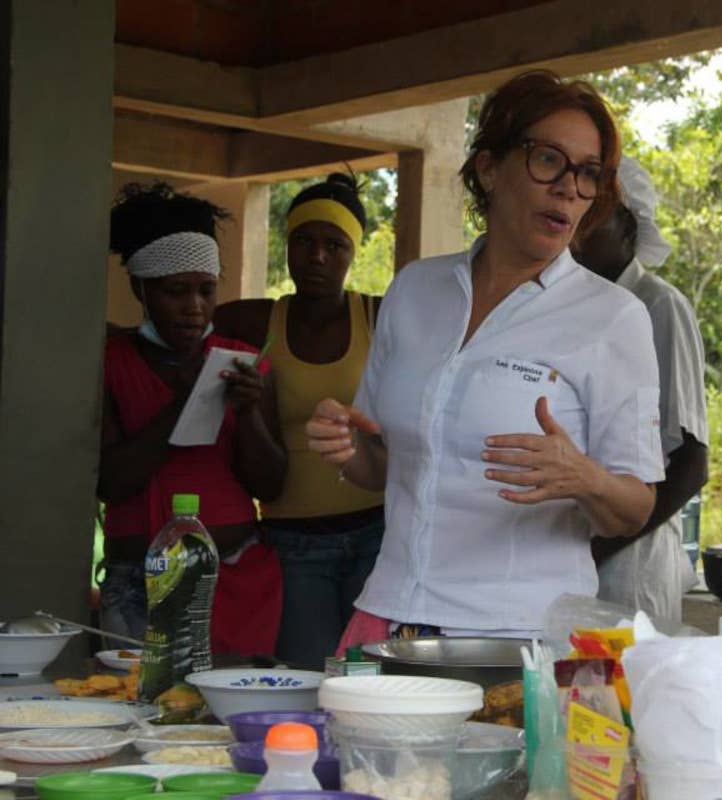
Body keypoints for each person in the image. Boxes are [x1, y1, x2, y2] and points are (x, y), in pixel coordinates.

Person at [305, 70, 664, 641]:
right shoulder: (415, 291)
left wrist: (585, 477)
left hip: (516, 636)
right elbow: (381, 465)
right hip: (391, 616)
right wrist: (345, 446)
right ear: (489, 168)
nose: (569, 188)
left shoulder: (612, 317)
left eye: (589, 173)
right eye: (548, 160)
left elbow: (634, 507)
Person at [98, 182, 286, 656]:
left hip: (235, 582)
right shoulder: (110, 361)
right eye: (175, 292)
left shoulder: (244, 363)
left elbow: (271, 484)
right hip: (139, 585)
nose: (194, 307)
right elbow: (110, 482)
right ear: (139, 288)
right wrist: (185, 402)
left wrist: (246, 415)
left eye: (206, 290)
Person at [213, 174, 385, 670]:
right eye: (304, 242)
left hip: (375, 531)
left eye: (335, 245)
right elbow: (180, 321)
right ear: (287, 246)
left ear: (353, 252)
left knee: (367, 680)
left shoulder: (380, 315)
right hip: (293, 540)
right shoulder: (250, 321)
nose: (317, 257)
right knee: (304, 678)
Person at [573, 156, 708, 623]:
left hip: (629, 565)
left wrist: (596, 549)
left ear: (629, 229)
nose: (578, 226)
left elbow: (690, 462)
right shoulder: (566, 307)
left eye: (596, 216)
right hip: (572, 554)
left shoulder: (659, 306)